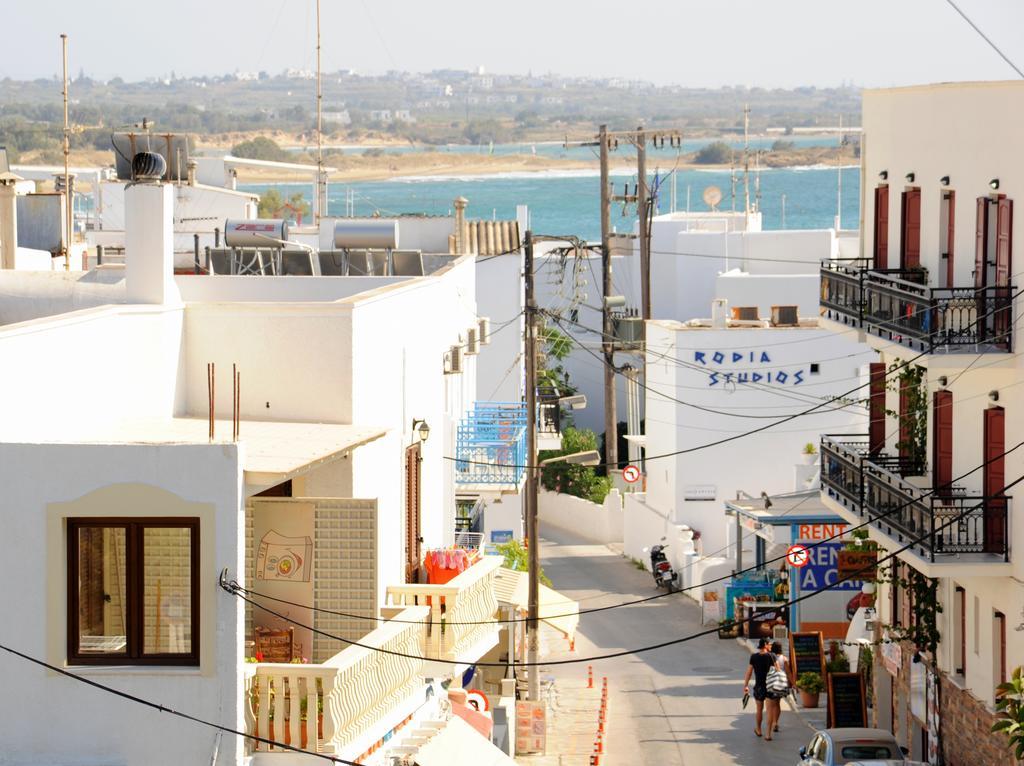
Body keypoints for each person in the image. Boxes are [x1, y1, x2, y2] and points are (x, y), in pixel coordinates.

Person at [742, 637, 775, 738]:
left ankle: (759, 729)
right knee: (769, 710)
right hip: (770, 686)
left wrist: (746, 685)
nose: (770, 646)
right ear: (765, 644)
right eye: (769, 644)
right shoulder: (771, 656)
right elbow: (777, 670)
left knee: (759, 710)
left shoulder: (754, 657)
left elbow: (749, 672)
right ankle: (768, 734)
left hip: (759, 686)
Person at [766, 641, 796, 735]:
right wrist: (793, 684)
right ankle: (775, 722)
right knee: (777, 704)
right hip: (781, 684)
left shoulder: (769, 657)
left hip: (771, 683)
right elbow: (788, 673)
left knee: (771, 705)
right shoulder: (784, 659)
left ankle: (772, 723)